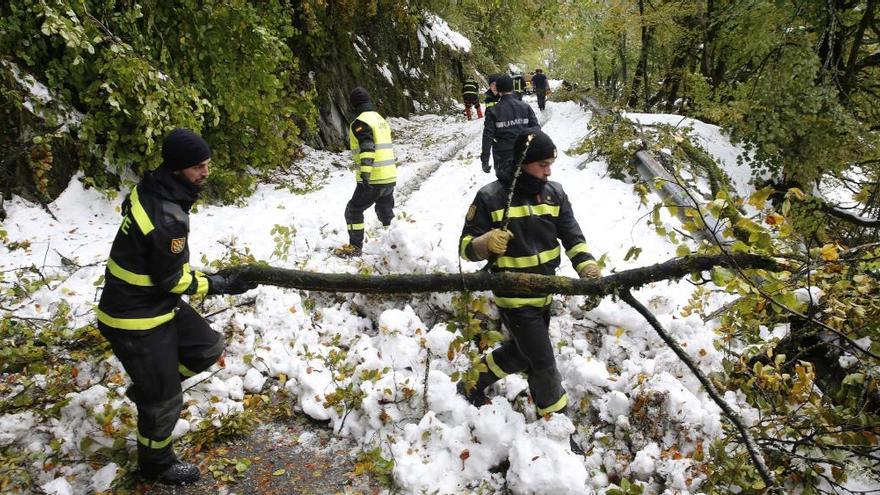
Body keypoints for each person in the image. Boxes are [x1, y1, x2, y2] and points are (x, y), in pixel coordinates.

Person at [97, 128, 257, 485]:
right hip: (132, 318)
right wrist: (218, 284)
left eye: (208, 164)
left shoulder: (152, 186)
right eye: (198, 167)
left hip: (154, 303)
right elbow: (173, 279)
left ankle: (149, 387)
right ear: (178, 169)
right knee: (165, 401)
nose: (206, 172)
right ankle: (156, 464)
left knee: (207, 347)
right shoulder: (168, 217)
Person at [458, 129, 602, 450]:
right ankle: (558, 431)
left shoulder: (555, 194)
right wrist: (483, 243)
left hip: (545, 294)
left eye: (551, 164)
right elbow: (465, 248)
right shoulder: (492, 198)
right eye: (542, 165)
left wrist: (588, 267)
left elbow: (573, 237)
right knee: (543, 363)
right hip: (513, 297)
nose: (549, 171)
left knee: (522, 354)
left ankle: (472, 382)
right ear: (523, 164)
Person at [334, 87, 397, 257]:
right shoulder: (380, 119)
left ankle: (355, 247)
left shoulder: (360, 122)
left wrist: (366, 173)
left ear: (353, 104)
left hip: (374, 178)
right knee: (385, 212)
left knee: (353, 210)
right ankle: (396, 243)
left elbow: (367, 147)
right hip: (389, 176)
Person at [480, 75, 538, 179]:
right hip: (524, 155)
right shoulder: (525, 107)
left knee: (506, 188)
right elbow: (536, 131)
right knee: (525, 187)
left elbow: (487, 136)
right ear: (512, 88)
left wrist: (485, 160)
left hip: (502, 159)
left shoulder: (493, 111)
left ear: (499, 90)